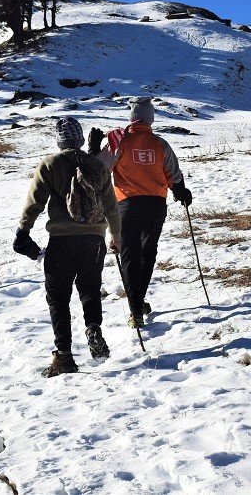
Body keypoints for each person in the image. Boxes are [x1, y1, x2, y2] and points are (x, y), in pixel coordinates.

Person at [15, 117, 122, 377]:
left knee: (59, 299)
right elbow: (111, 206)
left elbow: (34, 203)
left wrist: (23, 231)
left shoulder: (50, 165)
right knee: (89, 289)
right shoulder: (97, 166)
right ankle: (93, 327)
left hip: (61, 241)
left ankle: (64, 356)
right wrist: (115, 236)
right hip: (94, 241)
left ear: (59, 140)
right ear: (81, 139)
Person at [89, 97, 192, 328]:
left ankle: (135, 307)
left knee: (129, 256)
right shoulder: (160, 144)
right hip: (155, 206)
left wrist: (94, 148)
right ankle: (138, 302)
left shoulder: (119, 143)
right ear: (150, 119)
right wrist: (181, 192)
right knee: (148, 254)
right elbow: (173, 175)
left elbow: (100, 169)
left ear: (131, 118)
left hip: (126, 206)